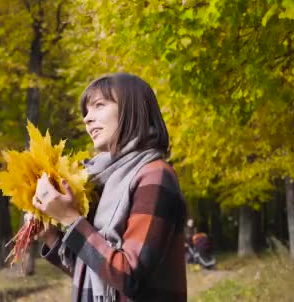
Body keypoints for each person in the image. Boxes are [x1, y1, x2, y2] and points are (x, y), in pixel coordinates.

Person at [32, 73, 187, 302]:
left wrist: (71, 219)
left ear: (131, 110)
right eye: (86, 111)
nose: (87, 119)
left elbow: (129, 277)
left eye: (99, 106)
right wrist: (52, 237)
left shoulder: (154, 175)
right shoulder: (102, 181)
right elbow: (97, 273)